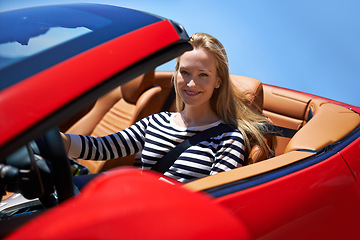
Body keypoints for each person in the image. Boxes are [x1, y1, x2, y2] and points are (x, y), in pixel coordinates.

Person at [62, 33, 271, 183]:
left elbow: (217, 197)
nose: (191, 84)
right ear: (176, 73)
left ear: (218, 81)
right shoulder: (156, 122)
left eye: (203, 75)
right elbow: (102, 148)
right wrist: (56, 141)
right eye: (185, 72)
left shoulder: (228, 138)